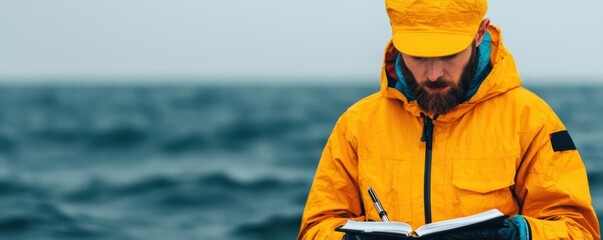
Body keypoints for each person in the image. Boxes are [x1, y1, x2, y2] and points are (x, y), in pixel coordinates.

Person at [297, 0, 601, 239]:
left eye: (449, 55)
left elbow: (579, 232)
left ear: (480, 33)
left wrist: (514, 236)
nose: (433, 74)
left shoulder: (532, 121)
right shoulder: (356, 125)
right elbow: (314, 230)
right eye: (418, 57)